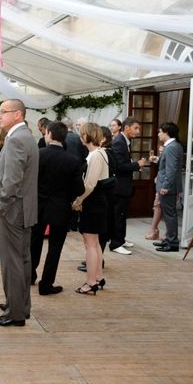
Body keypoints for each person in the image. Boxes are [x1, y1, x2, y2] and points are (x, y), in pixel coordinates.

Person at [0, 99, 38, 327]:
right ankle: (19, 306)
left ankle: (15, 314)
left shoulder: (17, 139)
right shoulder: (24, 137)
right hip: (22, 209)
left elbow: (12, 182)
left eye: (3, 112)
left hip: (12, 210)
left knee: (12, 263)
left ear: (17, 114)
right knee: (23, 261)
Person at [30, 121, 84, 296]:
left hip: (38, 206)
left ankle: (29, 276)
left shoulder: (38, 155)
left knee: (34, 242)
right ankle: (46, 284)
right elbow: (79, 189)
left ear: (49, 134)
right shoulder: (73, 160)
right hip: (61, 208)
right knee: (55, 247)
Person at [72, 123, 109, 295]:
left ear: (86, 137)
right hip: (96, 201)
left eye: (81, 134)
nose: (80, 138)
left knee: (91, 244)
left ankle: (91, 282)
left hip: (93, 202)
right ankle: (98, 277)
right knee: (93, 243)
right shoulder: (100, 153)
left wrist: (78, 200)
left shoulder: (96, 155)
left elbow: (90, 184)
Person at [110, 117, 147, 255]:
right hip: (119, 186)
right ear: (126, 128)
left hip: (124, 185)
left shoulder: (125, 141)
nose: (138, 131)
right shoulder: (119, 142)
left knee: (122, 214)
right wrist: (137, 165)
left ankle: (121, 239)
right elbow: (118, 167)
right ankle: (115, 243)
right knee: (118, 215)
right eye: (136, 128)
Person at [151, 123, 184, 252]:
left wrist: (166, 186)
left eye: (160, 132)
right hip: (167, 185)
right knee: (168, 213)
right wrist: (157, 160)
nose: (158, 134)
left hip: (168, 186)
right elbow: (168, 164)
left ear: (166, 132)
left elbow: (172, 169)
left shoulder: (171, 147)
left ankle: (172, 242)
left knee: (170, 214)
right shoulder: (172, 146)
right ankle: (168, 240)